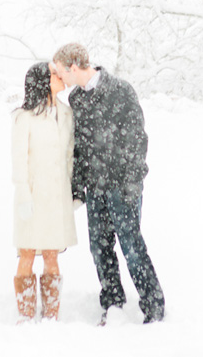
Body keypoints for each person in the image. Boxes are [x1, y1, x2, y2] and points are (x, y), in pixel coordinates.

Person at [53, 43, 165, 325]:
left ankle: (153, 307)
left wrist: (130, 182)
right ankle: (112, 302)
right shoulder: (77, 99)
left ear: (73, 67)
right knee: (99, 248)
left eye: (60, 71)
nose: (59, 78)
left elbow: (138, 139)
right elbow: (79, 148)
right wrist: (79, 188)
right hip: (97, 188)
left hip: (123, 186)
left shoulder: (120, 90)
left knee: (131, 246)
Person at [11, 61, 77, 322]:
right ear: (41, 81)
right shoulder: (23, 117)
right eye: (53, 73)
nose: (59, 76)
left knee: (51, 252)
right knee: (27, 251)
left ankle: (51, 314)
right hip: (32, 195)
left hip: (57, 197)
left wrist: (73, 193)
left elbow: (70, 156)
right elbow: (19, 160)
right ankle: (26, 314)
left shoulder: (67, 114)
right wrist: (24, 195)